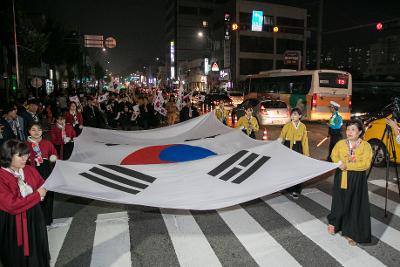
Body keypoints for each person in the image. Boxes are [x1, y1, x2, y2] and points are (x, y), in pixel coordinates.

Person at [0, 139, 50, 266]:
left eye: (26, 154)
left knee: (38, 250)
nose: (25, 158)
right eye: (20, 155)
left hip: (34, 217)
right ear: (8, 155)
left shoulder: (29, 170)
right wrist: (37, 195)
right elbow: (11, 205)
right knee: (17, 256)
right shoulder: (2, 176)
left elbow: (42, 184)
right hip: (13, 223)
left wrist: (43, 190)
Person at [327, 119, 372, 246]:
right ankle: (335, 222)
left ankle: (352, 233)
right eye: (348, 129)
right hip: (341, 176)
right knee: (339, 201)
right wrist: (339, 163)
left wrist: (347, 165)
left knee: (354, 205)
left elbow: (365, 164)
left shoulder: (366, 146)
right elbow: (334, 155)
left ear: (360, 132)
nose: (349, 132)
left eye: (353, 129)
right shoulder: (341, 143)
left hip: (357, 179)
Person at [26, 122, 58, 226]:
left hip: (46, 169)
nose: (36, 132)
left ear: (42, 131)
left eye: (39, 130)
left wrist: (53, 158)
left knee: (48, 193)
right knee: (34, 194)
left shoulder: (47, 143)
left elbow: (54, 154)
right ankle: (36, 221)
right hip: (31, 170)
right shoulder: (24, 144)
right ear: (29, 131)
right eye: (33, 130)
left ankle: (48, 220)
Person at [278, 108, 310, 199]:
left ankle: (296, 190)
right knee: (287, 168)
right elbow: (282, 137)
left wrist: (306, 154)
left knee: (298, 169)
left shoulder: (303, 126)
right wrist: (277, 144)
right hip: (288, 147)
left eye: (295, 114)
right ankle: (285, 187)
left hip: (298, 147)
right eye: (292, 114)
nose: (293, 116)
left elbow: (305, 140)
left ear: (300, 116)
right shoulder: (287, 125)